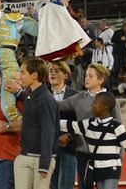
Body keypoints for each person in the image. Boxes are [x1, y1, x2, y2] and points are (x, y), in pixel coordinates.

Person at [60, 92, 126, 188]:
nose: (92, 106)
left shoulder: (117, 127)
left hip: (112, 169)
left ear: (104, 107)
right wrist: (48, 118)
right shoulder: (88, 124)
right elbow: (67, 125)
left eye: (95, 103)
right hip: (97, 170)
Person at [57, 63, 121, 189]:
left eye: (90, 76)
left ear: (101, 80)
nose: (86, 78)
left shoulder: (111, 101)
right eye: (86, 76)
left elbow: (119, 130)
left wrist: (119, 158)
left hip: (107, 155)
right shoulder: (78, 98)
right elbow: (57, 106)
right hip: (84, 154)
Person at [12, 57, 58, 189]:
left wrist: (44, 164)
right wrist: (18, 92)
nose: (20, 76)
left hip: (40, 159)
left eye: (22, 72)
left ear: (34, 75)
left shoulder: (46, 99)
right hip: (25, 154)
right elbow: (29, 102)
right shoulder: (31, 96)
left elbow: (48, 131)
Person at [48, 61, 78, 189]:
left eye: (56, 71)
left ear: (65, 75)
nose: (52, 73)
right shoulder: (42, 94)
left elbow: (80, 121)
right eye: (50, 71)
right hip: (48, 149)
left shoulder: (76, 95)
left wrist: (69, 137)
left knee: (66, 184)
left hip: (69, 147)